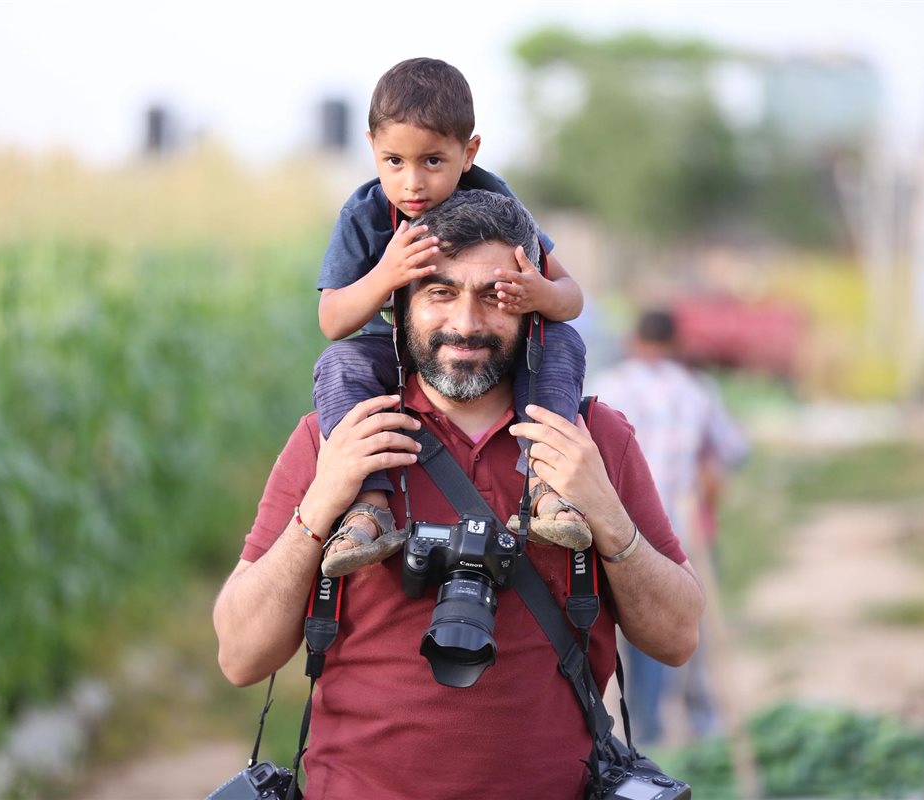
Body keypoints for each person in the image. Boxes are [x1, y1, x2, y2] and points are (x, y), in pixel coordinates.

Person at [214, 191, 705, 799]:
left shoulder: (591, 439)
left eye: (495, 296)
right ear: (399, 305)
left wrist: (602, 508)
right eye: (440, 292)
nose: (466, 324)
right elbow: (240, 656)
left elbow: (677, 639)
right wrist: (321, 504)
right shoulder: (335, 439)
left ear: (532, 308)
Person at [312, 57, 589, 577]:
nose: (412, 182)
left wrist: (539, 293)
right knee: (340, 364)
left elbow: (571, 297)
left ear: (469, 153)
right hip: (395, 351)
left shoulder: (493, 198)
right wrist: (386, 274)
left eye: (433, 161)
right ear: (372, 147)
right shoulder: (365, 215)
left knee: (562, 343)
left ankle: (548, 489)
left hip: (488, 346)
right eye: (394, 161)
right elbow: (332, 320)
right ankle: (368, 509)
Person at [589, 309, 749, 745]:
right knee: (671, 628)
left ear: (634, 341)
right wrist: (707, 465)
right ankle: (676, 729)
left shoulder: (609, 387)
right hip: (676, 530)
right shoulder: (695, 390)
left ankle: (634, 734)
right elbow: (735, 449)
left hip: (614, 530)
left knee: (620, 632)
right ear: (675, 344)